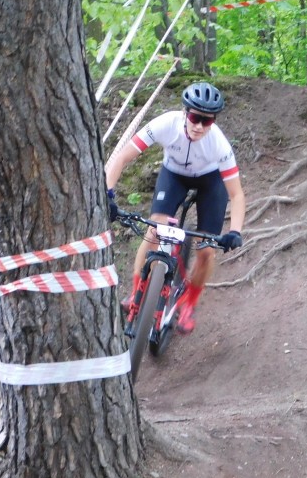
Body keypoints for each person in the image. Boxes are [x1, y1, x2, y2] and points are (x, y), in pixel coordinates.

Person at [105, 81, 245, 335]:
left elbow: (236, 194)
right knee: (154, 230)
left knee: (206, 251)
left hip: (209, 181)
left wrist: (234, 231)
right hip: (174, 176)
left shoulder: (219, 144)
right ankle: (137, 292)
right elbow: (123, 156)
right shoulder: (165, 124)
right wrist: (108, 193)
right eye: (195, 117)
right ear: (184, 112)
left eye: (207, 121)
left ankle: (189, 304)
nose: (199, 126)